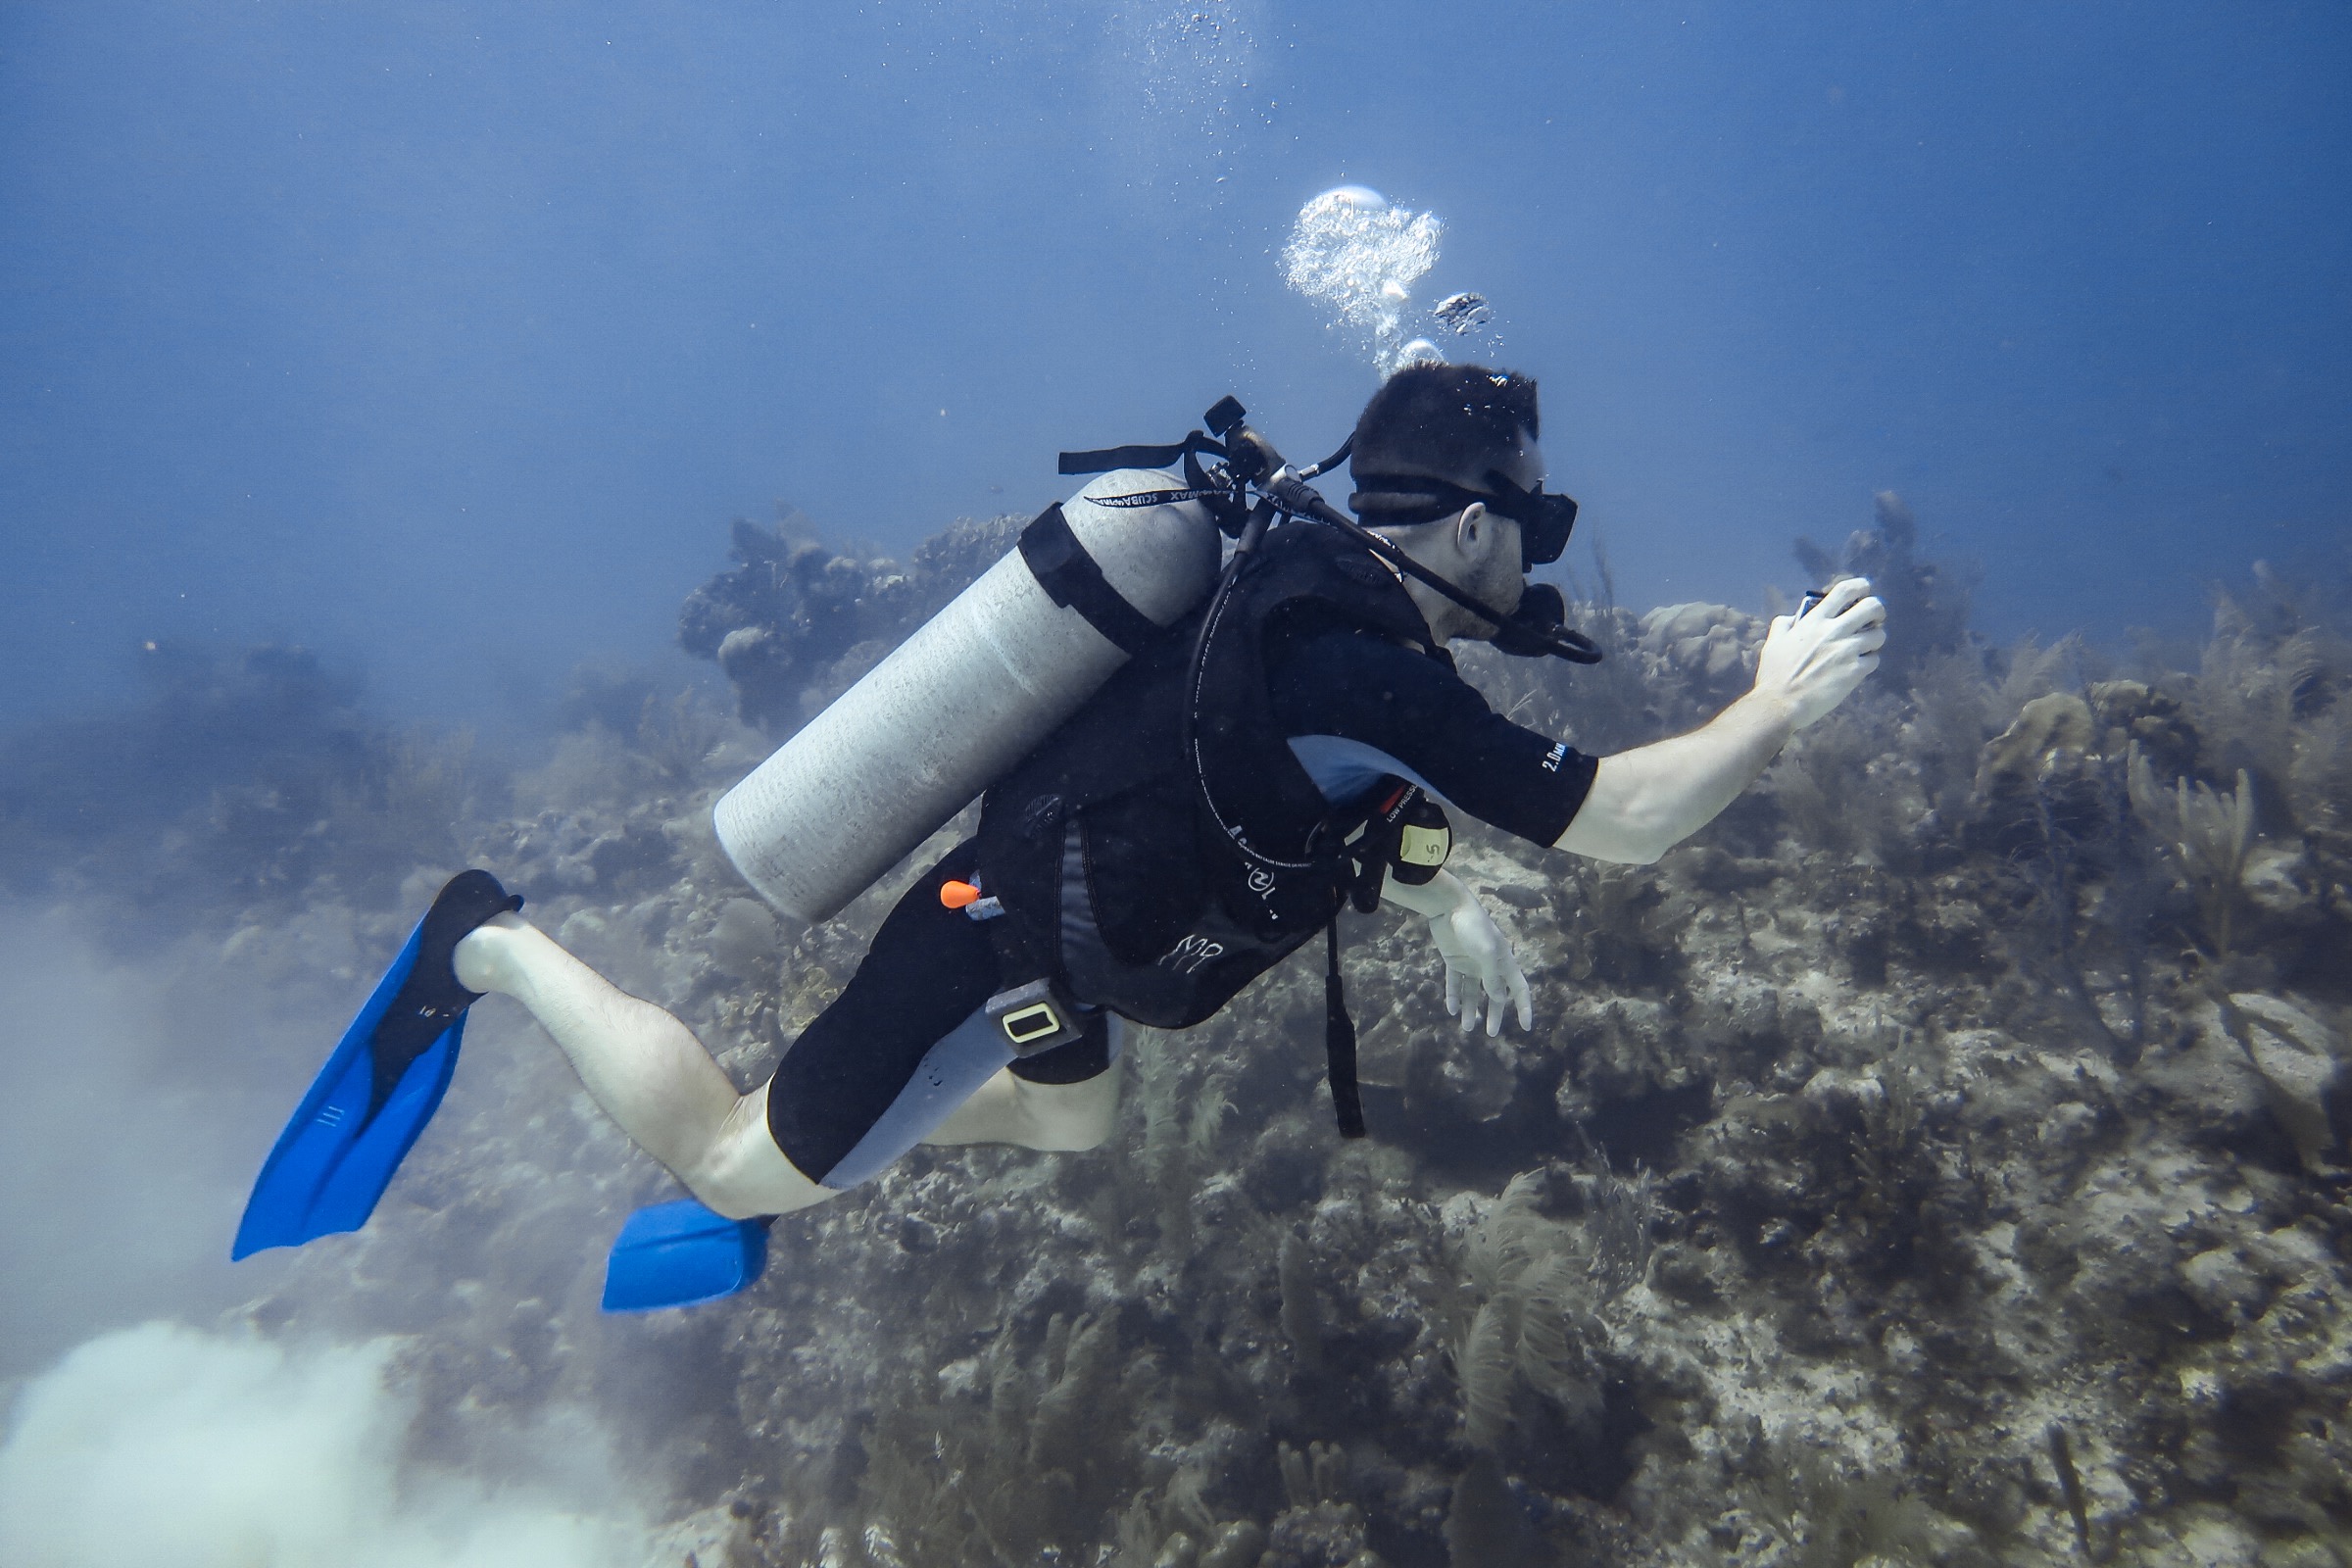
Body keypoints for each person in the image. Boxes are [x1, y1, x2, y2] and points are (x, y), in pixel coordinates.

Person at [238, 365, 1886, 1257]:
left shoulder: (1329, 621)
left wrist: (1447, 894)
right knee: (732, 1165)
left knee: (1074, 1130)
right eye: (1540, 519)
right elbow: (1624, 818)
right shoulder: (1358, 659)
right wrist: (1775, 700)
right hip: (992, 936)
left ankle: (836, 1138)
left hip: (1071, 946)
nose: (1541, 556)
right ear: (1467, 522)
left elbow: (1305, 794)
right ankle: (489, 946)